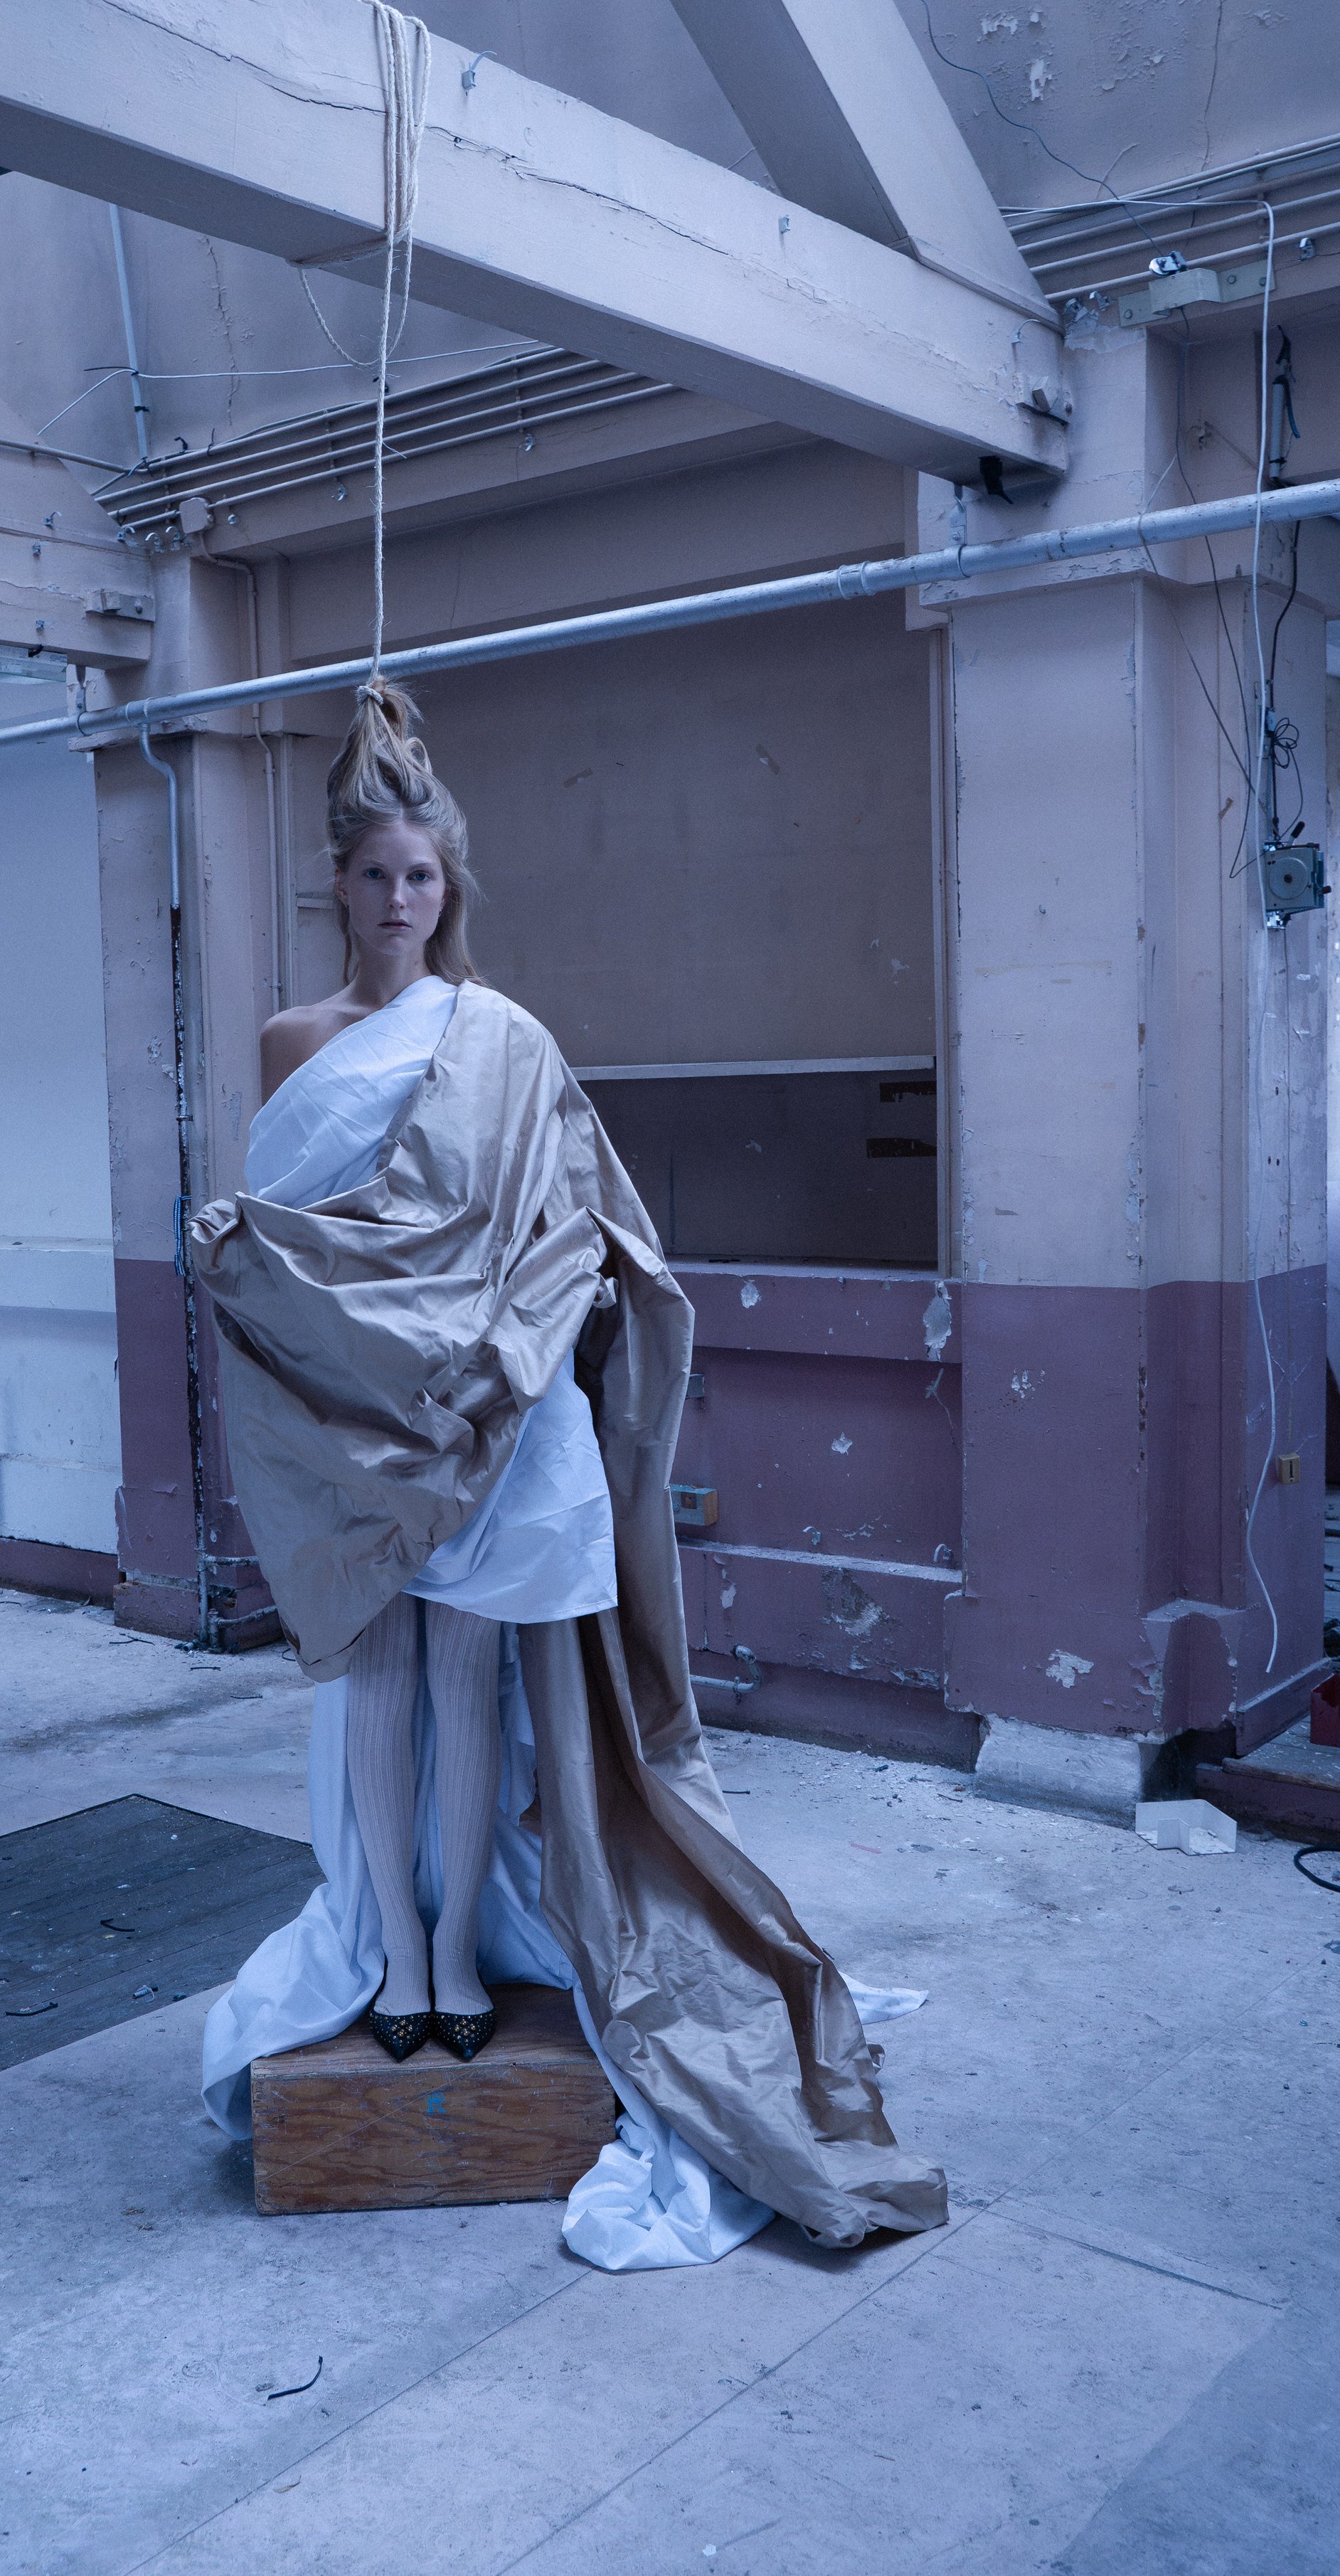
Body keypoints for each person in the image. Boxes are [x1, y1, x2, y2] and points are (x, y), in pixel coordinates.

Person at [190, 682, 945, 2270]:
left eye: (426, 876)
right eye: (379, 873)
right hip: (348, 1412)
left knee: (473, 1687)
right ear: (338, 880)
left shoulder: (504, 1038)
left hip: (495, 1406)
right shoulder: (289, 1039)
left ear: (448, 885)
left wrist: (508, 1343)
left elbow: (571, 1224)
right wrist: (271, 1293)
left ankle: (459, 1962)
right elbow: (309, 1252)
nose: (403, 899)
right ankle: (393, 1959)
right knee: (375, 1677)